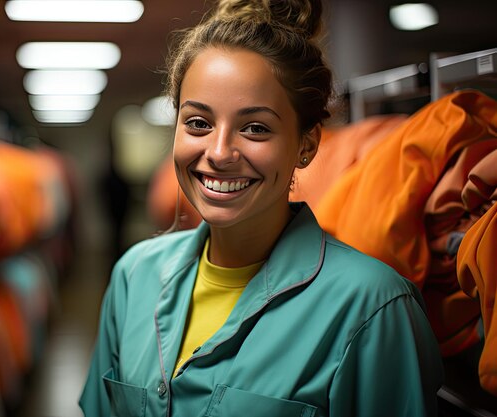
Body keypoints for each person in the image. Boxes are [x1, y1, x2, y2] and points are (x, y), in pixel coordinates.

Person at [79, 0, 444, 415]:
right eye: (198, 122)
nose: (219, 153)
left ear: (306, 145)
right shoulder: (134, 276)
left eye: (255, 128)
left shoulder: (372, 307)